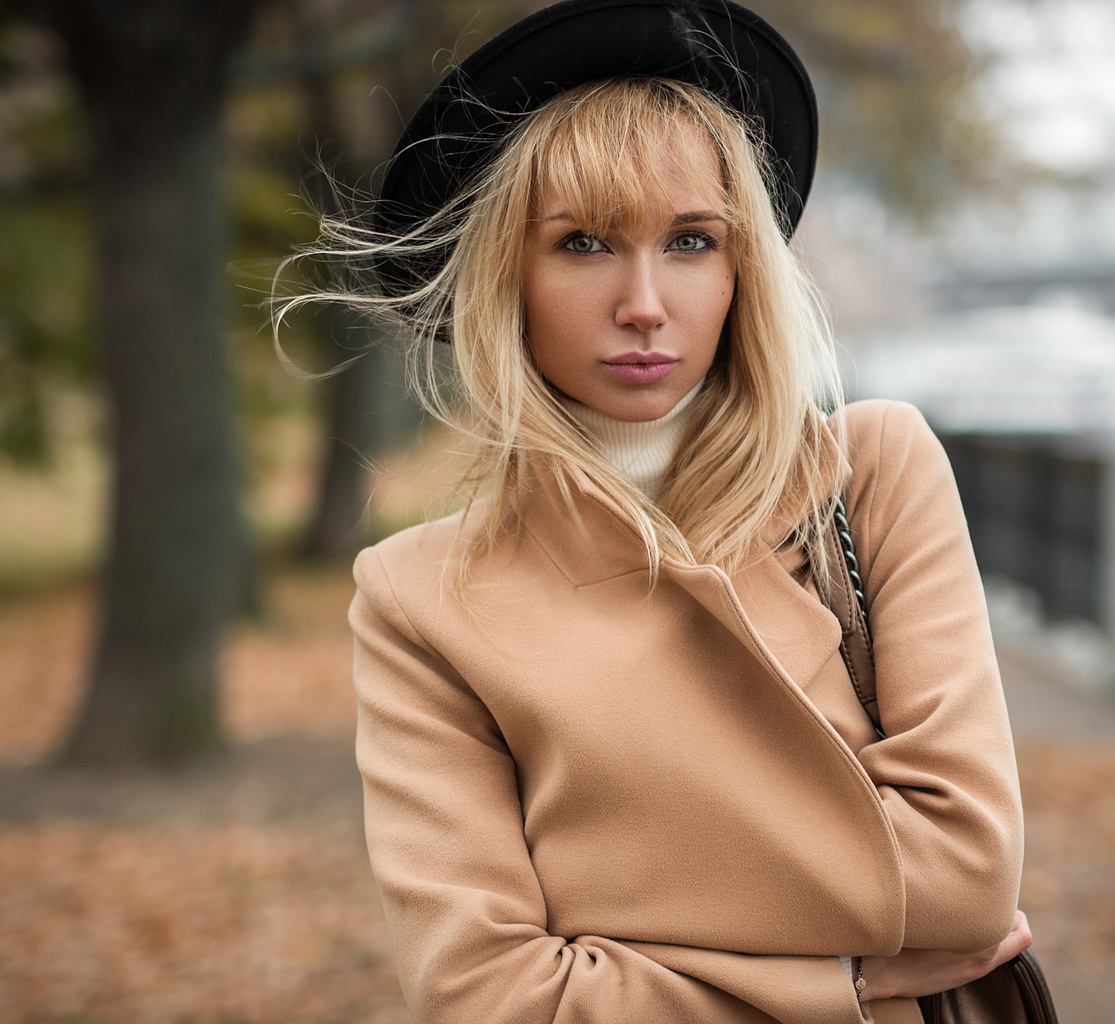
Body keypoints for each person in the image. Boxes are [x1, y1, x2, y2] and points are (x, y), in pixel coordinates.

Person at [280, 2, 1031, 1022]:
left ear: (741, 268)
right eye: (584, 243)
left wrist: (601, 919)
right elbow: (488, 997)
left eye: (689, 240)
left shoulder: (872, 474)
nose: (643, 301)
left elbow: (967, 876)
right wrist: (834, 978)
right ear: (508, 271)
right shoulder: (420, 601)